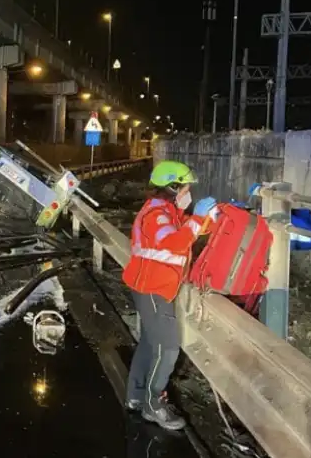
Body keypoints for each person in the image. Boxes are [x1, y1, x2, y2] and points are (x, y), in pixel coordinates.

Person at [122, 160, 218, 431]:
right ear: (173, 187)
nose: (189, 191)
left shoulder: (166, 210)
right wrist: (199, 218)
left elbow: (186, 228)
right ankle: (153, 406)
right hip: (153, 289)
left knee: (151, 345)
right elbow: (174, 242)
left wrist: (211, 218)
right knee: (168, 349)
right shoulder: (157, 214)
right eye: (186, 186)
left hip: (151, 287)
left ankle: (135, 397)